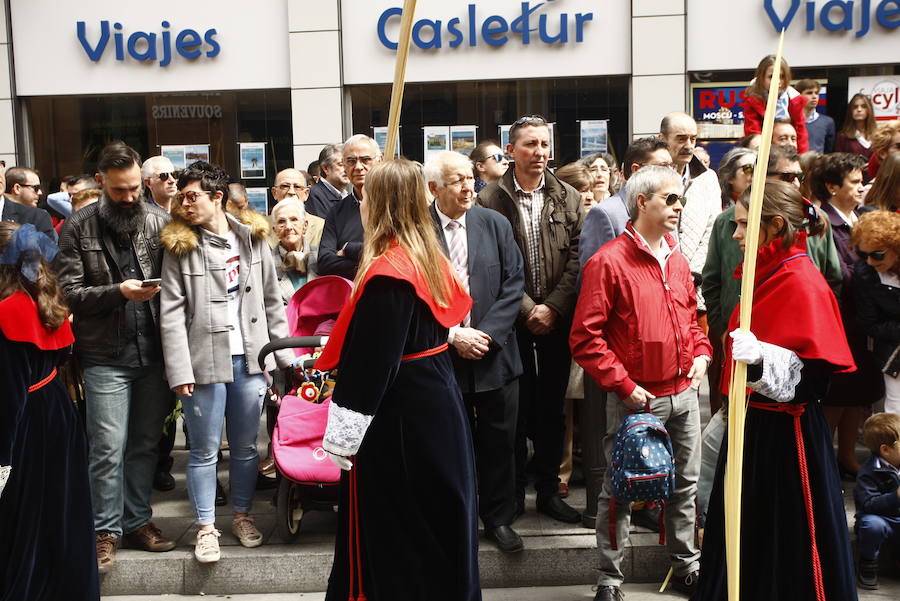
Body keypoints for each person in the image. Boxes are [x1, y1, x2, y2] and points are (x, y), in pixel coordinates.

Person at [315, 158, 480, 601]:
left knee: (403, 534)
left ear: (380, 202)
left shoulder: (391, 273)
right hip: (433, 403)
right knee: (434, 525)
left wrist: (342, 436)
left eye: (367, 195)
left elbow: (374, 364)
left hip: (400, 419)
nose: (361, 203)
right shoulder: (424, 257)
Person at [695, 180, 858, 601]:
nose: (735, 234)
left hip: (788, 440)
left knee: (785, 549)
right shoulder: (765, 273)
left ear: (776, 225)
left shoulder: (801, 281)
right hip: (752, 431)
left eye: (743, 225)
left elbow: (815, 380)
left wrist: (762, 359)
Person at [570, 165, 712, 600]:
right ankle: (609, 578)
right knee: (620, 490)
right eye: (670, 198)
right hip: (637, 399)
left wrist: (702, 353)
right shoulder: (608, 261)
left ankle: (686, 564)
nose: (679, 206)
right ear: (641, 202)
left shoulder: (678, 259)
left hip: (683, 392)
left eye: (680, 198)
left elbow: (692, 320)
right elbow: (585, 337)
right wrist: (624, 385)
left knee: (686, 485)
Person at [159, 161, 294, 563]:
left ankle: (242, 515)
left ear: (217, 197)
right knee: (203, 450)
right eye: (182, 197)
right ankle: (205, 528)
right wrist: (179, 371)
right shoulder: (180, 246)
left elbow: (272, 301)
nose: (185, 204)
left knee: (247, 447)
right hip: (203, 362)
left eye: (192, 196)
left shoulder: (253, 238)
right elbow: (170, 313)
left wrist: (283, 359)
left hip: (251, 360)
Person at [54, 141, 175, 573]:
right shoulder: (78, 225)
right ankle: (105, 530)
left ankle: (137, 520)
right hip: (104, 354)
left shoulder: (160, 220)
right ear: (101, 182)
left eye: (135, 188)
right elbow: (69, 293)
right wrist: (118, 292)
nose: (129, 196)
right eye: (120, 189)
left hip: (155, 352)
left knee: (144, 444)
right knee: (107, 447)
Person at [479, 114, 583, 524]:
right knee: (514, 410)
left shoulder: (568, 196)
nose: (539, 152)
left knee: (553, 408)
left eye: (544, 144)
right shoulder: (489, 199)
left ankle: (549, 491)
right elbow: (493, 263)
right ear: (511, 150)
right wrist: (527, 309)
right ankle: (512, 495)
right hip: (510, 320)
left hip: (557, 316)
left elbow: (578, 259)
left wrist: (553, 307)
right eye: (530, 144)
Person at [424, 150, 525, 553]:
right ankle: (456, 519)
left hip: (494, 353)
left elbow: (513, 281)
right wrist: (453, 335)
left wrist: (485, 335)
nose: (469, 187)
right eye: (458, 181)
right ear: (434, 188)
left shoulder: (493, 223)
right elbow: (414, 294)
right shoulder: (417, 230)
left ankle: (498, 518)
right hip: (442, 355)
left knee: (500, 442)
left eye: (471, 178)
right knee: (449, 444)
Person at [0, 222, 99, 601]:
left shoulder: (9, 310)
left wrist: (3, 461)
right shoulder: (42, 298)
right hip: (57, 412)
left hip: (25, 424)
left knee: (23, 518)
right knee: (59, 512)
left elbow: (9, 396)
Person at [811, 152, 884, 477]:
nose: (861, 187)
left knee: (860, 392)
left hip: (864, 321)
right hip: (840, 320)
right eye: (854, 182)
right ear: (832, 186)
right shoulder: (822, 223)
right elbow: (835, 274)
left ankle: (846, 456)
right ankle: (823, 463)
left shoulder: (864, 216)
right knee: (837, 394)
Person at [659, 112, 722, 328]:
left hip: (698, 290)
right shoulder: (651, 179)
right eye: (681, 139)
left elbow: (712, 229)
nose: (688, 145)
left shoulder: (708, 179)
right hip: (659, 288)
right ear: (663, 139)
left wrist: (692, 273)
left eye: (693, 139)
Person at [580, 137, 673, 266]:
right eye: (663, 167)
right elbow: (593, 272)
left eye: (672, 166)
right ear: (636, 170)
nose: (671, 173)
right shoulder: (605, 214)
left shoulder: (668, 209)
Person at [852, 210, 900, 414]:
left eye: (877, 254)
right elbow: (870, 324)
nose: (870, 261)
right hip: (893, 357)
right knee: (895, 411)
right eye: (863, 255)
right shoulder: (865, 275)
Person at [318, 134, 382, 280]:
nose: (358, 167)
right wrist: (372, 264)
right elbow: (324, 263)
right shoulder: (337, 212)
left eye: (365, 160)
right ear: (344, 166)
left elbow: (395, 253)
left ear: (380, 161)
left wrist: (349, 249)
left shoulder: (395, 206)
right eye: (351, 161)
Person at [854, 412, 900, 590]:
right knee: (872, 525)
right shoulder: (868, 472)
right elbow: (869, 505)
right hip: (881, 519)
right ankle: (868, 563)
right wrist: (896, 496)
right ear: (885, 450)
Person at [742, 54, 809, 153]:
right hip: (763, 153)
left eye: (781, 77)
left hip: (790, 152)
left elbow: (801, 134)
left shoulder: (794, 100)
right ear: (761, 78)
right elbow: (753, 133)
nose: (777, 81)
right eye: (771, 77)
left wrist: (801, 159)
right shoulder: (753, 100)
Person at [271, 197, 316, 304]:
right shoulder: (267, 264)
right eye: (281, 222)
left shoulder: (321, 257)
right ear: (275, 230)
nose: (288, 227)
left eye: (294, 219)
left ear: (305, 225)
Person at [307, 144, 349, 219]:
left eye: (349, 164)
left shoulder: (347, 195)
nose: (347, 169)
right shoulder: (315, 195)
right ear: (326, 168)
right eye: (341, 165)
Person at [796, 79, 835, 154]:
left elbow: (829, 150)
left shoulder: (828, 122)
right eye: (809, 93)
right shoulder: (791, 120)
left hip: (818, 160)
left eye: (816, 93)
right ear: (799, 95)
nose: (814, 96)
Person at [836, 93, 877, 162]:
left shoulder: (878, 135)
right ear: (850, 111)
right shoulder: (842, 136)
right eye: (855, 107)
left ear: (869, 110)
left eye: (863, 106)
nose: (859, 110)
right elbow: (839, 162)